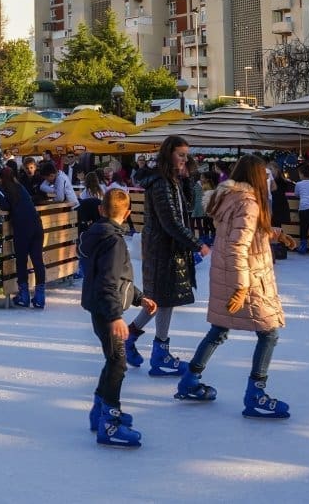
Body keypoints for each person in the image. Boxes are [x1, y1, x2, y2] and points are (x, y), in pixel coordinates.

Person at [176, 154, 291, 419]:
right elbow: (238, 245)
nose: (267, 178)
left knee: (219, 329)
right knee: (269, 333)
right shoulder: (249, 203)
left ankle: (190, 380)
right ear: (255, 177)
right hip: (247, 279)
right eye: (264, 174)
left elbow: (241, 233)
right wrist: (241, 287)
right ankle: (256, 394)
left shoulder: (230, 198)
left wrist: (276, 234)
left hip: (228, 274)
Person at [123, 135, 209, 375]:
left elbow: (188, 208)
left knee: (160, 299)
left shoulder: (171, 180)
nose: (184, 160)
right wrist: (196, 243)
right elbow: (170, 221)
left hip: (167, 247)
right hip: (163, 248)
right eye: (180, 155)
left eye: (186, 156)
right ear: (168, 153)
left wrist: (189, 178)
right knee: (164, 299)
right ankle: (159, 352)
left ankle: (132, 338)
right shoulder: (160, 183)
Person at [80, 188, 157, 447]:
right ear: (127, 213)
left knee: (114, 361)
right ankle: (109, 423)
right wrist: (115, 317)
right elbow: (107, 282)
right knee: (118, 363)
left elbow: (117, 279)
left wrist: (138, 297)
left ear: (101, 210)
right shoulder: (113, 241)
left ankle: (100, 412)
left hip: (100, 307)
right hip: (106, 310)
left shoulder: (101, 236)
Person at [0, 166, 47, 308]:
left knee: (21, 261)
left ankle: (24, 295)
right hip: (37, 224)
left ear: (0, 179)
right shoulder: (22, 188)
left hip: (22, 227)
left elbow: (5, 206)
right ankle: (40, 296)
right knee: (37, 260)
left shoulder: (1, 191)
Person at [75, 171, 106, 280]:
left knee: (85, 244)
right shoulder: (102, 189)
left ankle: (82, 270)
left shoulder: (85, 192)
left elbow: (83, 207)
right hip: (100, 218)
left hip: (89, 220)